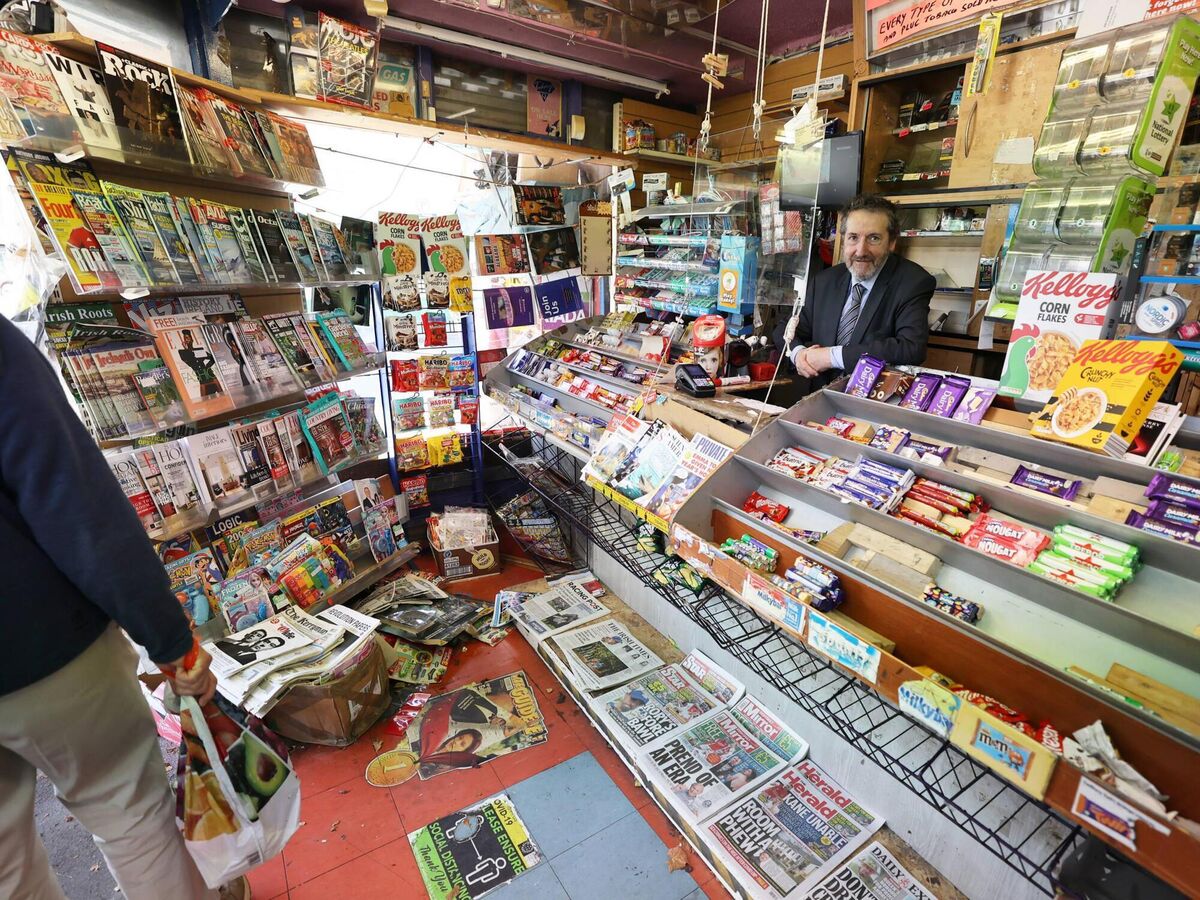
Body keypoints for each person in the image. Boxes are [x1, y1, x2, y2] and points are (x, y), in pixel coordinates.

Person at [0, 315, 238, 900]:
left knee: (5, 868)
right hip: (42, 647)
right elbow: (78, 507)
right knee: (128, 807)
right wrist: (172, 644)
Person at [774, 194, 934, 391]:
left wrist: (831, 356)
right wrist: (799, 354)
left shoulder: (913, 282)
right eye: (853, 237)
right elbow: (785, 329)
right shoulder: (825, 281)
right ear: (843, 240)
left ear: (892, 242)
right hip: (818, 398)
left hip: (873, 404)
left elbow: (911, 348)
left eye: (873, 238)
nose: (861, 250)